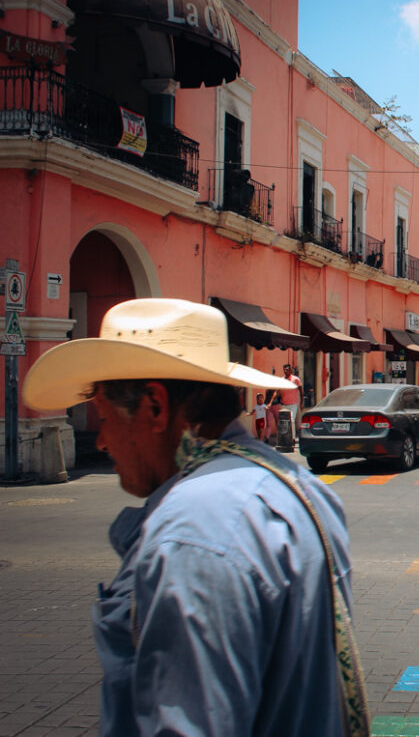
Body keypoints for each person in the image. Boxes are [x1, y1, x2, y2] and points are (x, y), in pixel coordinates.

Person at [21, 298, 367, 736]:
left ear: (155, 407)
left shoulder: (190, 533)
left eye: (105, 418)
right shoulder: (300, 488)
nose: (103, 441)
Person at [280, 363, 304, 438]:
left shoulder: (296, 379)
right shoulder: (282, 379)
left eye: (287, 369)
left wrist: (301, 403)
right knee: (284, 422)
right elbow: (277, 391)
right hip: (284, 404)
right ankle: (285, 438)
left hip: (293, 404)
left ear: (290, 370)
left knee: (291, 420)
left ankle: (292, 438)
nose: (285, 371)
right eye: (284, 369)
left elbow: (301, 391)